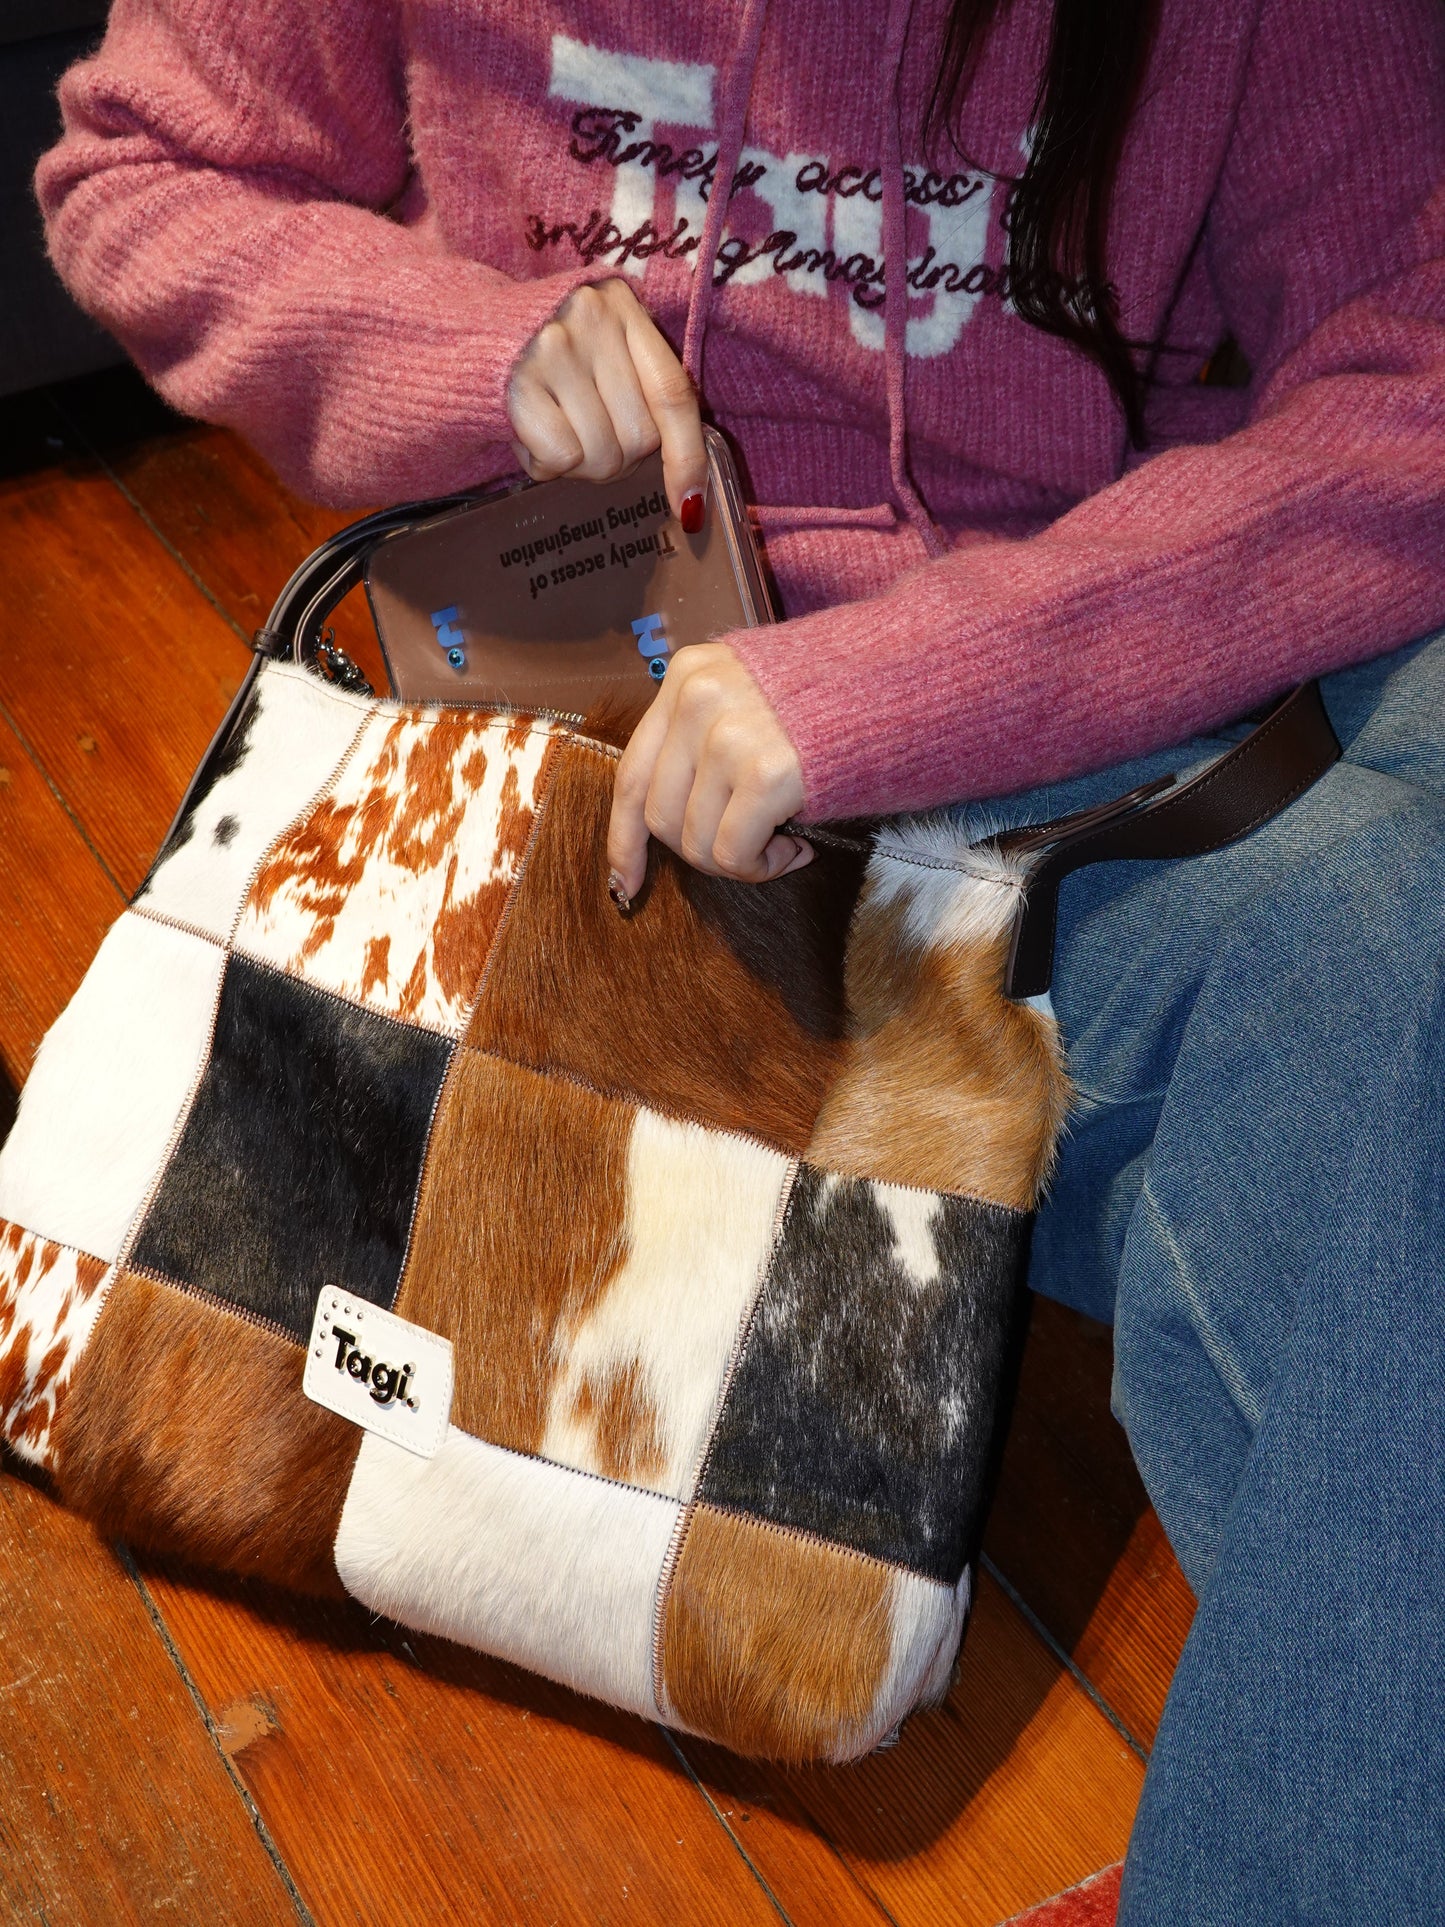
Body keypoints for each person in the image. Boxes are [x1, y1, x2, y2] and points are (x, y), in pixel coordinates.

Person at [36, 2, 1445, 1920]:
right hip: (596, 745)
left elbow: (1408, 378)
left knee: (1376, 961)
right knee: (1373, 1025)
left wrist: (892, 686)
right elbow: (138, 170)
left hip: (1072, 724)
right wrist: (483, 354)